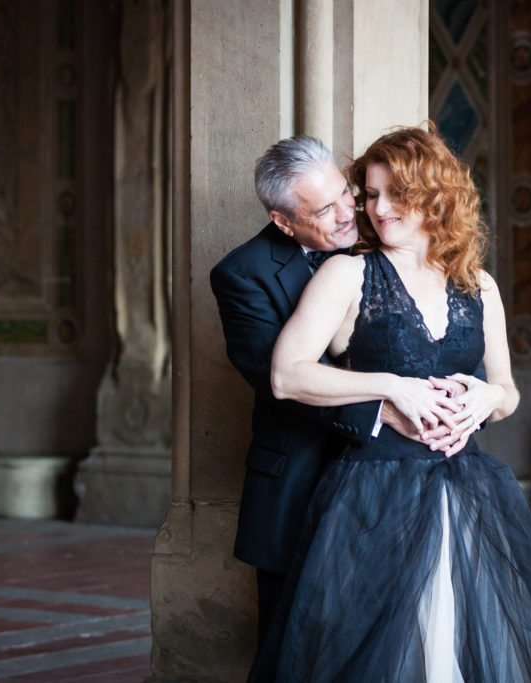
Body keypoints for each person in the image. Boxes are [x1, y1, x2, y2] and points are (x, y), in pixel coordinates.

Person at [251, 126, 531, 682]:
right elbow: (287, 376)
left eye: (395, 194)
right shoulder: (350, 273)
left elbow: (508, 393)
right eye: (368, 193)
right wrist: (390, 385)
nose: (377, 208)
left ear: (435, 196)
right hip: (373, 494)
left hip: (469, 494)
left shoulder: (478, 285)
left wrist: (486, 395)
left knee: (464, 647)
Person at [209, 136, 472, 655]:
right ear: (284, 221)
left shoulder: (381, 237)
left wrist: (461, 403)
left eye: (346, 194)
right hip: (299, 479)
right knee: (298, 647)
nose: (349, 213)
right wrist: (387, 408)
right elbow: (278, 381)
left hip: (393, 484)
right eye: (324, 209)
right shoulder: (243, 275)